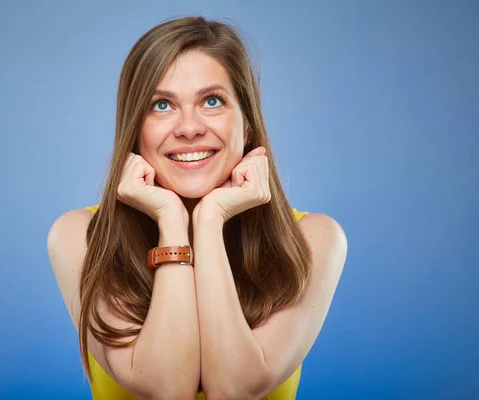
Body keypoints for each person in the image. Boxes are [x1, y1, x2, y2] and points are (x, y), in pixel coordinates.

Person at [47, 16, 347, 400]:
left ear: (248, 124)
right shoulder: (80, 236)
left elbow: (235, 390)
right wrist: (171, 220)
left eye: (212, 101)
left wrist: (209, 221)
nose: (189, 128)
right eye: (161, 105)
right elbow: (166, 390)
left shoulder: (316, 238)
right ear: (135, 131)